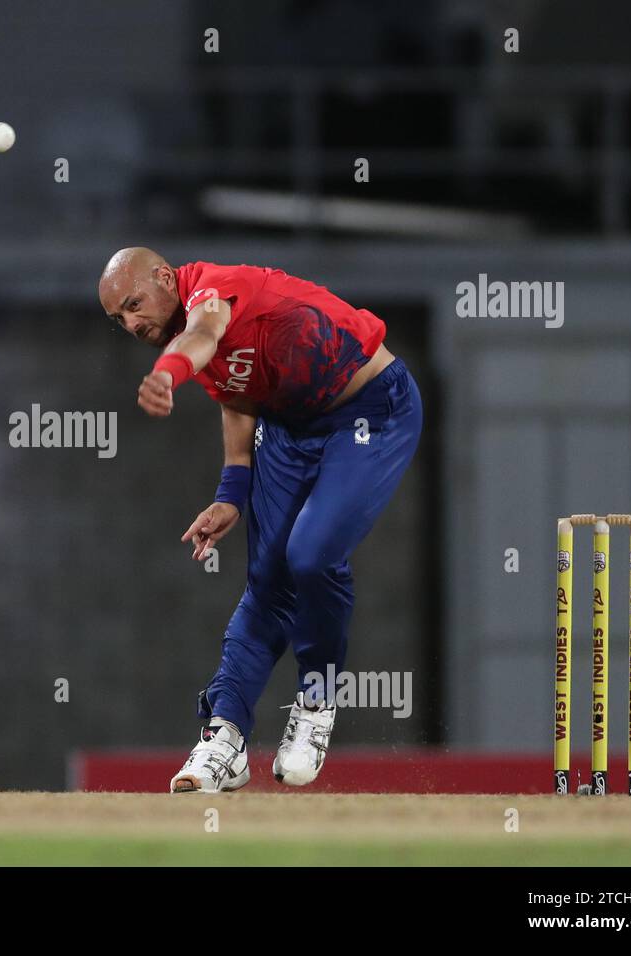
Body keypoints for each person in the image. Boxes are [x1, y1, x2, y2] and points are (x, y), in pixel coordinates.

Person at [97, 248, 423, 792]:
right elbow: (238, 396)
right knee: (268, 581)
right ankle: (224, 737)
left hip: (370, 410)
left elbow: (202, 335)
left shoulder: (213, 291)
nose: (131, 323)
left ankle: (316, 703)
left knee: (311, 554)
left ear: (163, 277)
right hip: (288, 428)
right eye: (118, 320)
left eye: (133, 305)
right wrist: (231, 493)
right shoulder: (179, 326)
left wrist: (167, 372)